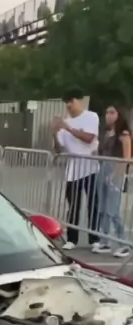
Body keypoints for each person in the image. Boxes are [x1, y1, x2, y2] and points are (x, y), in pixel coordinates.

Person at [53, 88, 100, 249]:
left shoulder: (91, 117)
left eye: (71, 101)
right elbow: (59, 149)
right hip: (73, 170)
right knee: (73, 205)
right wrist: (54, 133)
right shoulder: (66, 123)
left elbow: (89, 138)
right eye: (66, 102)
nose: (69, 106)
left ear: (79, 101)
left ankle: (95, 239)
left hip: (90, 168)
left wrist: (68, 128)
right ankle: (72, 239)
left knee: (92, 205)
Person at [93, 106, 131, 257]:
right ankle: (104, 241)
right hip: (103, 170)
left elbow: (126, 158)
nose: (108, 115)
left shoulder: (124, 134)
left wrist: (115, 175)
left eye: (112, 112)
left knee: (112, 209)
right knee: (103, 209)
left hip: (116, 172)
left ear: (119, 115)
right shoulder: (107, 132)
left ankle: (123, 244)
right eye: (107, 112)